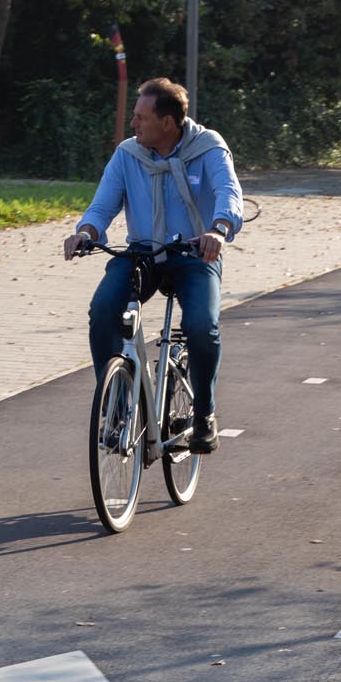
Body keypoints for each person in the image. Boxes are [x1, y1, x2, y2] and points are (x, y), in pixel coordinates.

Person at [61, 77, 242, 453]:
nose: (133, 124)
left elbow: (229, 193)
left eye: (141, 117)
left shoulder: (208, 148)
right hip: (142, 254)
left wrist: (219, 230)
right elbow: (102, 205)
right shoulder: (128, 155)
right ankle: (116, 405)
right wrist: (87, 231)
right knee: (103, 309)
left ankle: (203, 413)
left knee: (200, 325)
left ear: (168, 123)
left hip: (195, 253)